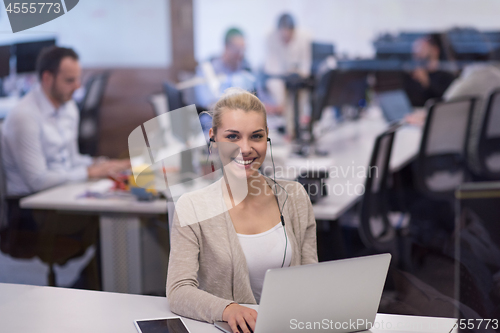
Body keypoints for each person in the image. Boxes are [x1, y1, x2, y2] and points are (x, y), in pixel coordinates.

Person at [166, 88, 318, 333]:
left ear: (267, 136)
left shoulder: (295, 197)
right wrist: (228, 309)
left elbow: (311, 279)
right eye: (233, 137)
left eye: (256, 136)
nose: (245, 148)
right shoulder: (192, 206)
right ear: (213, 137)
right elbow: (178, 290)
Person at [1, 46, 130, 199]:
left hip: (59, 191)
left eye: (78, 79)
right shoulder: (24, 116)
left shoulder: (68, 107)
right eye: (70, 80)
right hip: (30, 204)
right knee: (104, 212)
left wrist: (103, 164)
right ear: (47, 78)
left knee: (116, 196)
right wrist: (88, 172)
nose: (78, 86)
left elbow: (71, 159)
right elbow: (37, 181)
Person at [263, 13, 312, 137]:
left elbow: (306, 66)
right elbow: (272, 71)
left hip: (299, 81)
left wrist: (298, 76)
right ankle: (290, 133)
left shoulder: (305, 37)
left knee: (300, 105)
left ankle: (298, 130)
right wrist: (280, 100)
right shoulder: (270, 38)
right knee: (284, 107)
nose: (286, 39)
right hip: (281, 80)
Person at [195, 28, 255, 109]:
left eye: (243, 50)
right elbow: (207, 102)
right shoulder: (208, 69)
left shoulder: (246, 69)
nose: (240, 54)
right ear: (226, 47)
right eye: (237, 50)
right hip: (214, 116)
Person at [404, 34, 455, 107]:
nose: (419, 49)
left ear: (435, 50)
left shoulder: (447, 76)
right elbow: (412, 103)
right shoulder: (413, 75)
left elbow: (445, 100)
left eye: (424, 45)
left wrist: (426, 82)